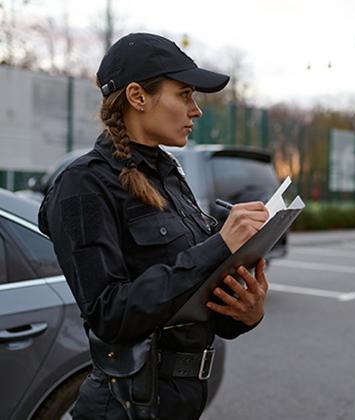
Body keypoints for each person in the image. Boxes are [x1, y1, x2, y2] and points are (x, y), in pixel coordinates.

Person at [38, 33, 270, 420]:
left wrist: (245, 313)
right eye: (184, 94)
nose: (195, 111)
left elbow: (191, 295)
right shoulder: (83, 184)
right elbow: (108, 313)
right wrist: (220, 245)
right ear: (138, 96)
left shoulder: (168, 175)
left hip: (178, 401)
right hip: (126, 405)